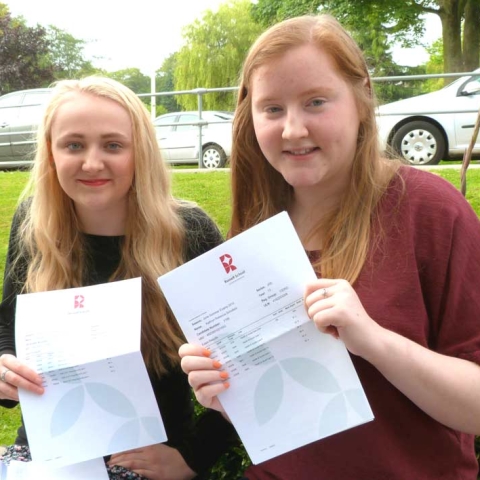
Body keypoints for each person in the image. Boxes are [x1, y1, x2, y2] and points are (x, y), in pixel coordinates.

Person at [179, 14, 480, 480]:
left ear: (361, 98)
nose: (292, 129)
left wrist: (374, 341)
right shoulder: (256, 234)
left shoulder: (430, 211)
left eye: (316, 102)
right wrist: (227, 396)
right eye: (272, 109)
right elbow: (286, 416)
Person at [0, 76, 237, 480]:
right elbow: (8, 320)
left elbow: (242, 359)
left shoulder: (189, 231)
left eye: (113, 145)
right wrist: (5, 364)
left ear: (139, 152)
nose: (92, 163)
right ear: (51, 153)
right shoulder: (35, 223)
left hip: (146, 460)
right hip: (46, 454)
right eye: (74, 145)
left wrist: (192, 457)